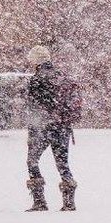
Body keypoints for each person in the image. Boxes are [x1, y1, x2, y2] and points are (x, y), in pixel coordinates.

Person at [24, 45, 80, 212]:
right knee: (62, 163)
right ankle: (69, 202)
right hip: (63, 126)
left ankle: (40, 201)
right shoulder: (62, 76)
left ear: (35, 61)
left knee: (32, 161)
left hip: (43, 127)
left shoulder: (36, 79)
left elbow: (35, 109)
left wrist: (32, 132)